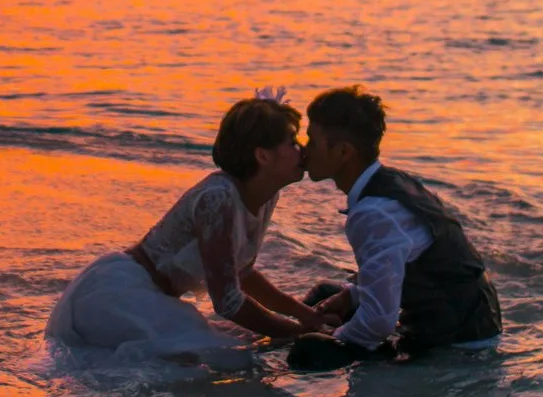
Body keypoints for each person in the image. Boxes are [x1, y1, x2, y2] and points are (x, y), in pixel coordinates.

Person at [46, 91, 331, 362]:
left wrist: (303, 314)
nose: (302, 151)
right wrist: (295, 333)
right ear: (263, 156)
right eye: (293, 142)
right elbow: (227, 302)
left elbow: (239, 272)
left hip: (150, 296)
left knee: (241, 346)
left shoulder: (266, 194)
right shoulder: (218, 198)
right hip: (123, 295)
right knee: (229, 358)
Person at [288, 86, 503, 370]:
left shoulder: (373, 212)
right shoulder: (393, 182)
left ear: (343, 151)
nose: (305, 150)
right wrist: (351, 296)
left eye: (312, 141)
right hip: (474, 321)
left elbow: (378, 321)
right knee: (330, 294)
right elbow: (399, 268)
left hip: (457, 345)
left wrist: (329, 338)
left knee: (306, 352)